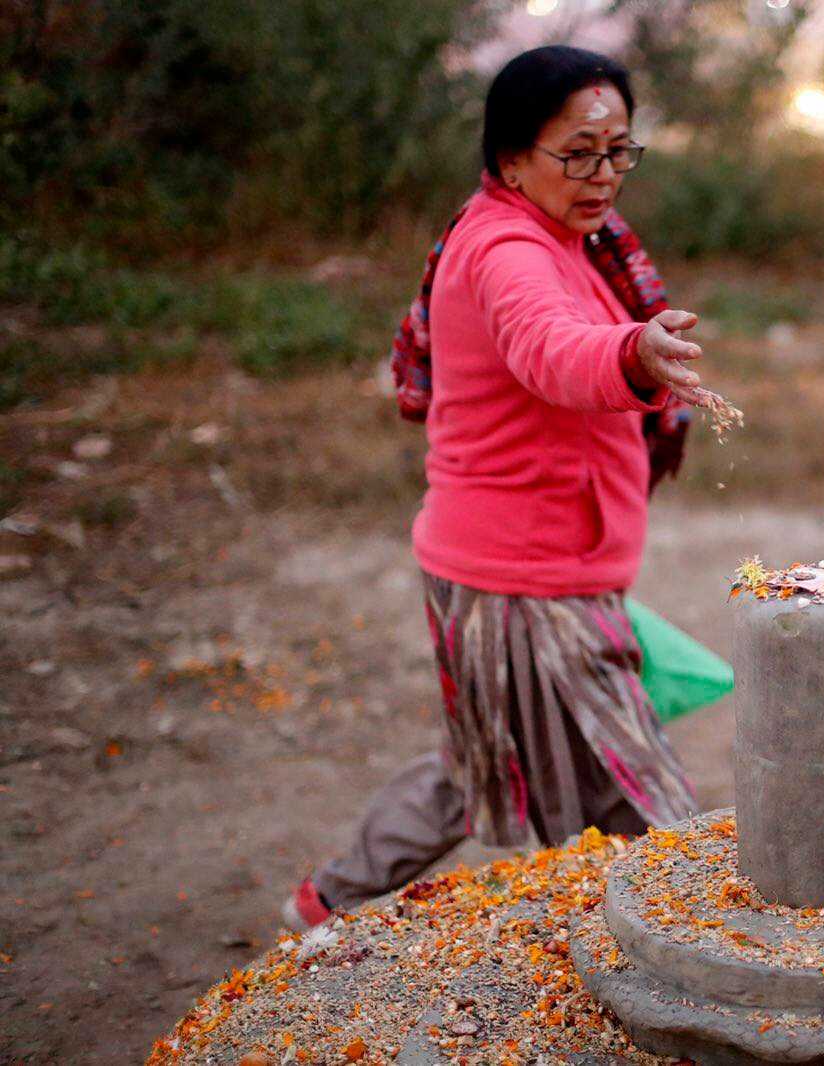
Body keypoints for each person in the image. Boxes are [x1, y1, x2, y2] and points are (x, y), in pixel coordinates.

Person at [283, 46, 711, 929]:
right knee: (646, 805)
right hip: (524, 584)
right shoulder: (508, 249)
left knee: (479, 760)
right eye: (578, 153)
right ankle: (684, 945)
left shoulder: (566, 240)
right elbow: (550, 346)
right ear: (512, 158)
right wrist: (630, 352)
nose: (603, 176)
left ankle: (331, 900)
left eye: (619, 151)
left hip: (512, 566)